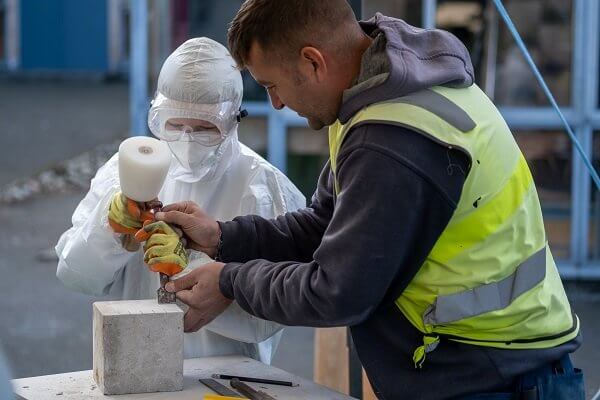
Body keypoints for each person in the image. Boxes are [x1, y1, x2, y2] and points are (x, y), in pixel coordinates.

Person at [154, 2, 585, 399]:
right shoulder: (372, 101)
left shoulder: (393, 140)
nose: (277, 102)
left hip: (495, 377)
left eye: (273, 85)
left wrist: (229, 281)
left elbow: (337, 291)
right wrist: (221, 238)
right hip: (479, 366)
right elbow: (322, 227)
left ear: (313, 61)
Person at [55, 37, 306, 364]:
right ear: (158, 117)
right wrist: (110, 228)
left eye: (204, 128)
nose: (187, 140)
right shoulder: (124, 170)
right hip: (134, 369)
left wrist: (195, 266)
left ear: (232, 121)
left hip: (226, 377)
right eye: (174, 125)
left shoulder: (262, 185)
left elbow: (277, 314)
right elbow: (75, 275)